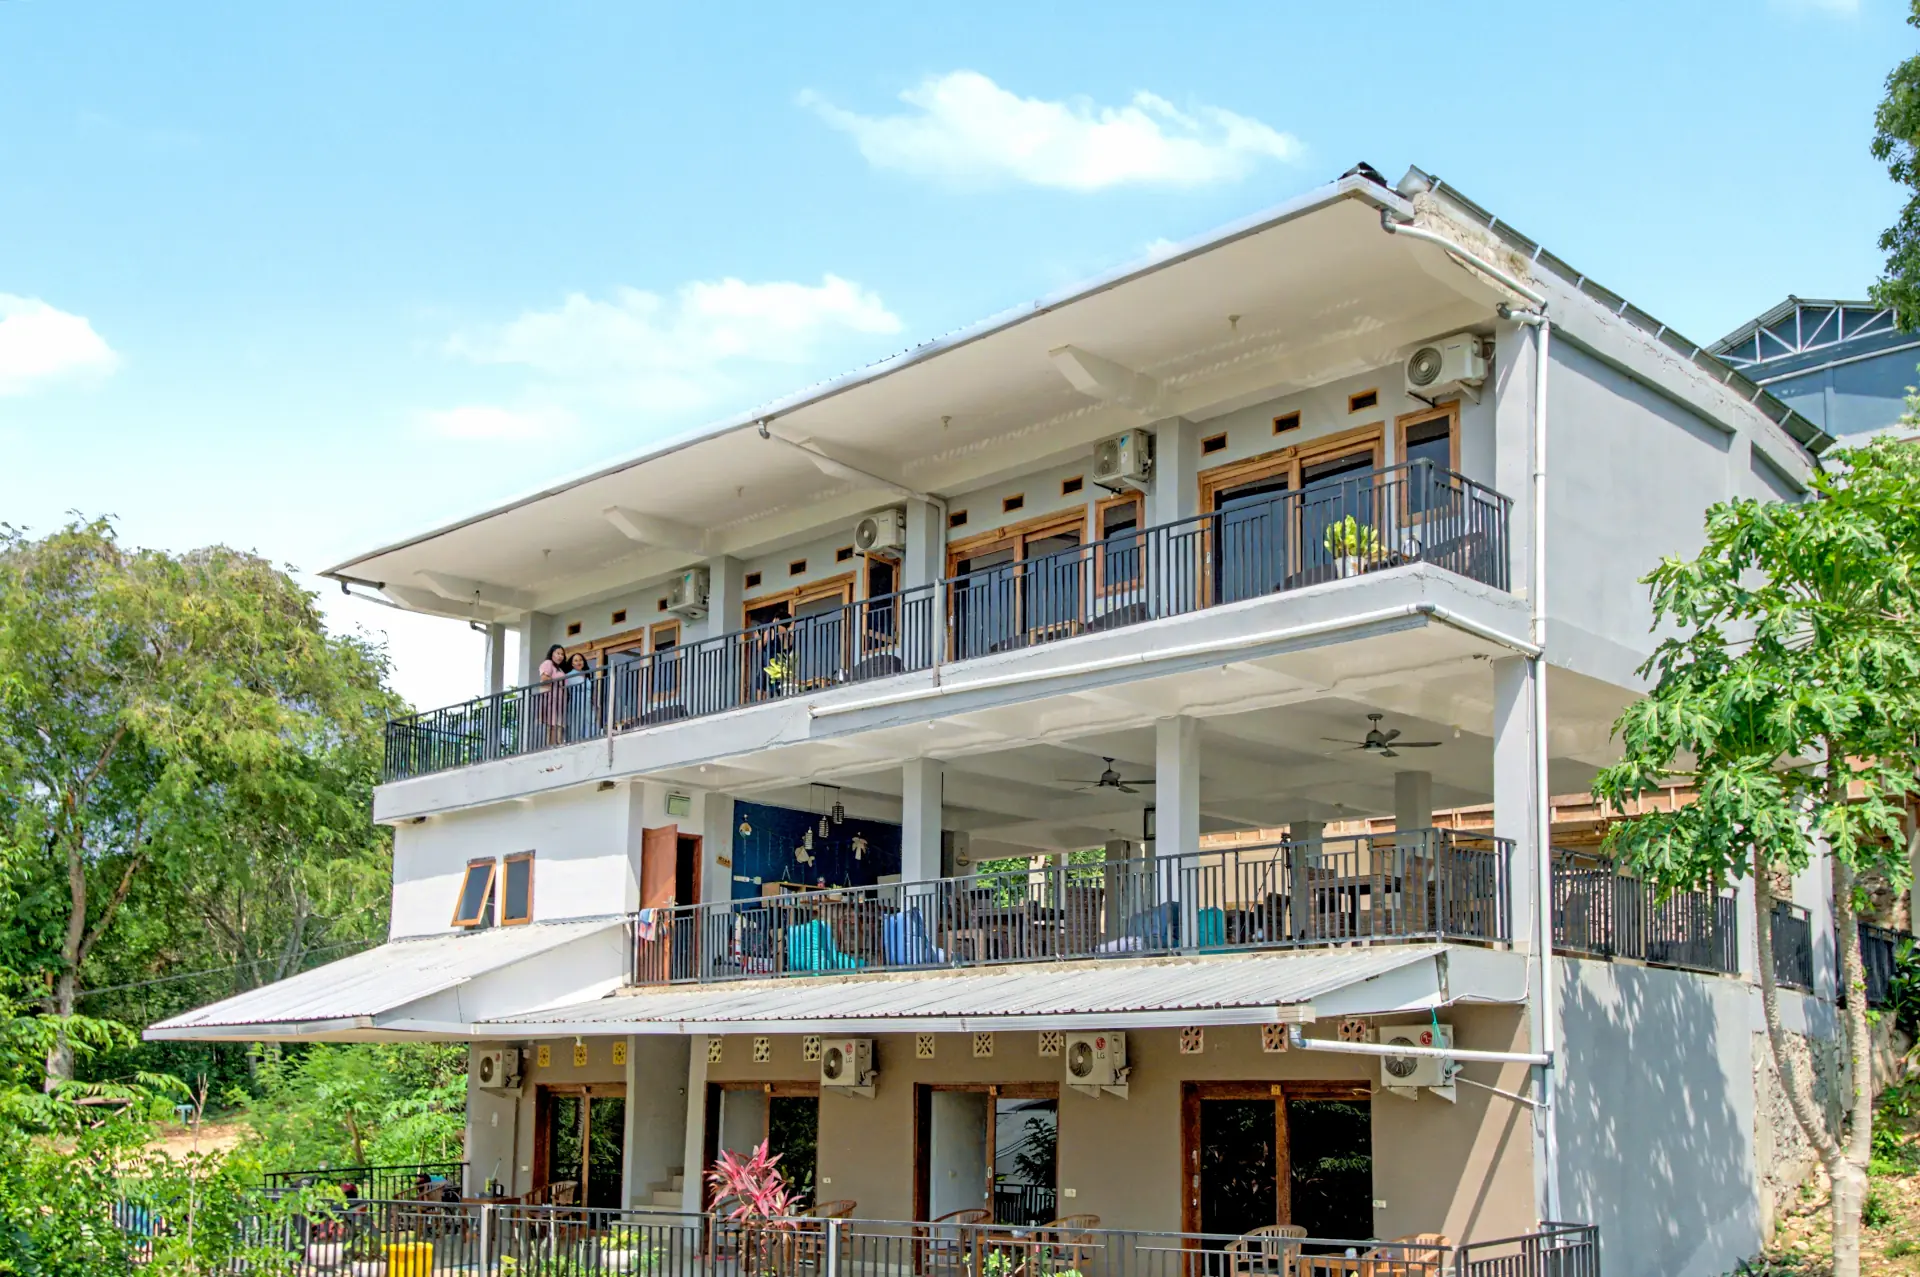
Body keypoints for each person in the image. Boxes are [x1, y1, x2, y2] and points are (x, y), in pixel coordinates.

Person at [538, 643, 567, 744]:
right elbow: (544, 678)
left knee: (558, 724)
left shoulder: (559, 668)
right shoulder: (548, 663)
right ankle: (551, 746)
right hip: (551, 698)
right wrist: (558, 681)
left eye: (562, 654)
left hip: (559, 700)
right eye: (558, 653)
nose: (560, 656)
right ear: (552, 654)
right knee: (552, 724)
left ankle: (557, 744)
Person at [564, 651, 595, 740]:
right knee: (575, 726)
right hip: (576, 704)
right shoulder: (568, 676)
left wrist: (596, 705)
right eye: (576, 660)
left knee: (590, 724)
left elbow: (593, 691)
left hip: (588, 704)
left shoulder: (587, 674)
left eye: (580, 660)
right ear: (572, 664)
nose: (579, 662)